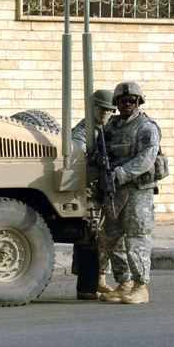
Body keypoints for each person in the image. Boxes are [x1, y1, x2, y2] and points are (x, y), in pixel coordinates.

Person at [100, 81, 162, 305]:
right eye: (123, 101)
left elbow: (146, 159)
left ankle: (140, 286)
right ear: (116, 103)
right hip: (115, 191)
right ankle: (124, 283)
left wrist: (121, 173)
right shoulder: (111, 126)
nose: (127, 104)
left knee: (136, 238)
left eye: (131, 101)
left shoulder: (146, 128)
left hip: (137, 191)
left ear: (138, 102)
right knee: (111, 237)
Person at [72, 89, 118, 300]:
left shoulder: (113, 129)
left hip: (107, 190)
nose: (106, 113)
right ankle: (87, 286)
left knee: (107, 236)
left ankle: (100, 278)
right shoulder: (83, 130)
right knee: (91, 235)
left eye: (110, 110)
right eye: (102, 109)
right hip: (90, 191)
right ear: (93, 108)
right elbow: (77, 152)